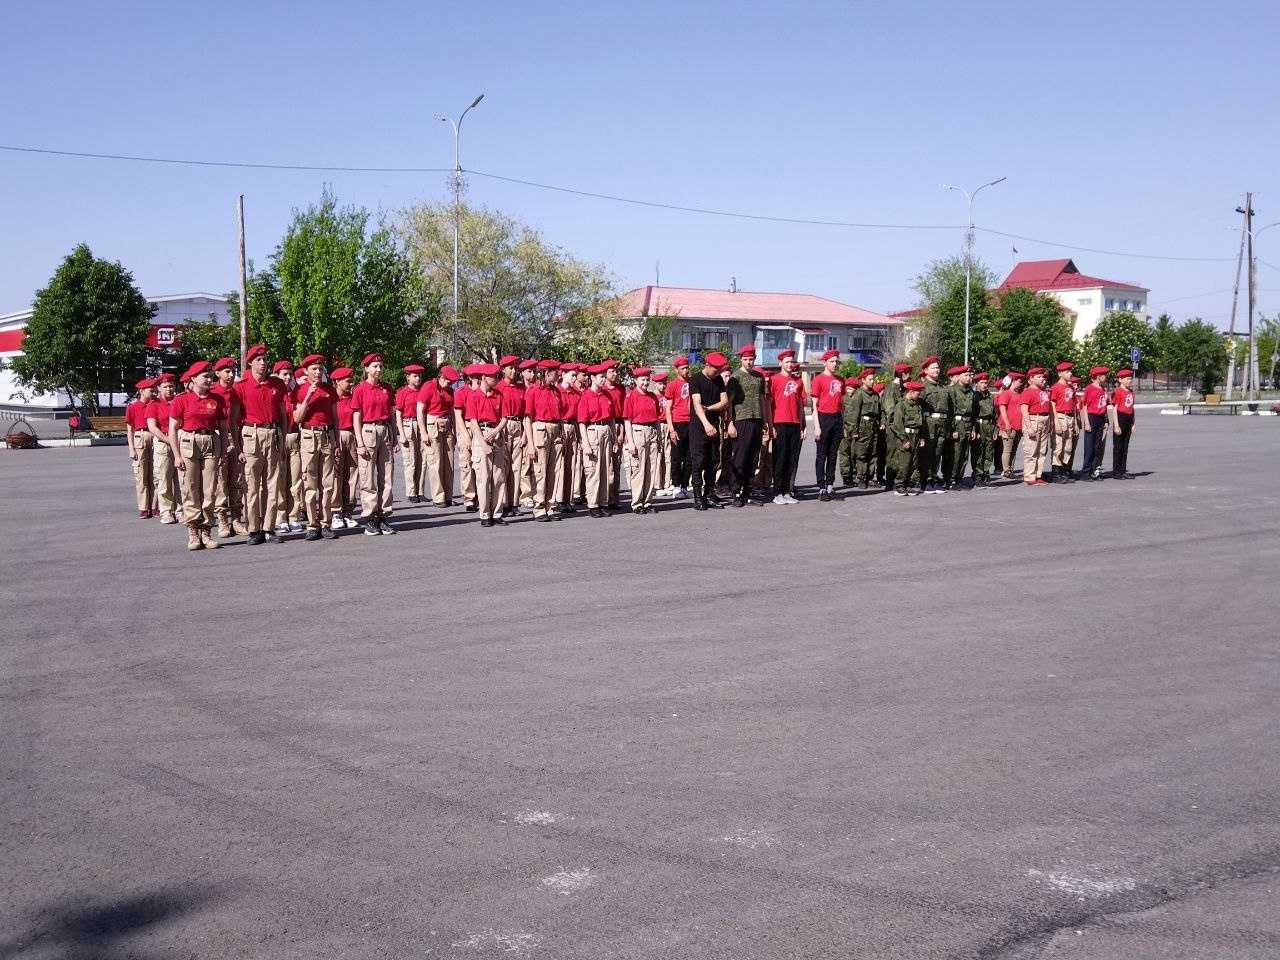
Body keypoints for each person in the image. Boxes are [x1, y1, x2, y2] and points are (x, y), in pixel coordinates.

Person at [167, 361, 228, 551]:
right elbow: (173, 429)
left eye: (210, 376)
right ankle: (193, 532)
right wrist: (176, 456)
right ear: (193, 379)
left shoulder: (217, 399)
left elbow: (224, 428)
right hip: (189, 443)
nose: (210, 379)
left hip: (210, 442)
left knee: (210, 490)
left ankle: (207, 531)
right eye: (205, 376)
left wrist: (223, 452)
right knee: (190, 489)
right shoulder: (181, 399)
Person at [232, 344, 289, 544]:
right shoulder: (241, 386)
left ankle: (269, 528)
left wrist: (282, 441)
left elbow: (283, 415)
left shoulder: (277, 384)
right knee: (252, 484)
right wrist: (238, 448)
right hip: (251, 433)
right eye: (259, 360)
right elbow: (233, 420)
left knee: (273, 483)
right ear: (250, 363)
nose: (263, 363)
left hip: (272, 432)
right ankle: (254, 528)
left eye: (265, 359)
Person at [293, 354, 339, 540]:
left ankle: (326, 523)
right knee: (310, 482)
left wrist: (336, 440)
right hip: (308, 435)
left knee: (327, 484)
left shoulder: (329, 390)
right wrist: (308, 397)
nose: (318, 372)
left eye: (320, 369)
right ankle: (313, 525)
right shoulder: (300, 390)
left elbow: (335, 418)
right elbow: (297, 418)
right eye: (314, 369)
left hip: (327, 435)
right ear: (306, 371)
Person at [351, 352, 399, 535]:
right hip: (368, 431)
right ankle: (369, 518)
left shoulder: (386, 388)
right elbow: (357, 418)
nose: (378, 369)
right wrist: (360, 443)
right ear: (366, 369)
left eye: (380, 366)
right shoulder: (360, 389)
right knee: (368, 477)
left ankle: (384, 515)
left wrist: (394, 437)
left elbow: (391, 415)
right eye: (375, 366)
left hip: (385, 430)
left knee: (386, 477)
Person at [465, 363, 508, 526]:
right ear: (484, 378)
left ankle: (497, 513)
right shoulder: (474, 396)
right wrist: (482, 442)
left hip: (495, 434)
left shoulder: (498, 395)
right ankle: (484, 515)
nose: (496, 379)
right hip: (480, 435)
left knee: (498, 477)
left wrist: (495, 432)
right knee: (483, 478)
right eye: (493, 377)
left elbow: (504, 418)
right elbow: (473, 422)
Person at [726, 345, 769, 507]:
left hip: (756, 419)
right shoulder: (735, 378)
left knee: (753, 458)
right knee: (740, 458)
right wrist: (730, 423)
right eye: (745, 359)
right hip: (740, 420)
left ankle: (748, 492)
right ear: (741, 360)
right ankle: (736, 492)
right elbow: (729, 403)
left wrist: (764, 420)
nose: (749, 362)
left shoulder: (759, 377)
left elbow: (761, 400)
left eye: (751, 359)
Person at [687, 352, 730, 510]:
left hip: (714, 421)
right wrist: (706, 424)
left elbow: (724, 401)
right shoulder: (696, 380)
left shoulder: (718, 380)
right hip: (699, 425)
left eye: (720, 369)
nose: (718, 372)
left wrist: (710, 408)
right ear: (707, 365)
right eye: (715, 369)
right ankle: (698, 497)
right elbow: (697, 404)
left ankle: (709, 494)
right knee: (698, 461)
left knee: (713, 461)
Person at [524, 359, 565, 522]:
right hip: (540, 429)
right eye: (556, 372)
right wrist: (530, 444)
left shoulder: (556, 391)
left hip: (555, 429)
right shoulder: (533, 391)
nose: (558, 375)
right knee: (540, 471)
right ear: (548, 373)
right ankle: (539, 507)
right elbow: (528, 418)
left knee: (554, 471)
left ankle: (551, 505)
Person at [210, 356, 246, 536]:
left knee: (237, 479)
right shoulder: (212, 393)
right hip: (219, 436)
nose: (231, 375)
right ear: (217, 373)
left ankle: (237, 519)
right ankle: (223, 519)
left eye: (233, 371)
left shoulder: (237, 392)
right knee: (220, 480)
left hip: (237, 435)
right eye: (227, 371)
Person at [417, 364, 459, 508]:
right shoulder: (428, 387)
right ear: (441, 377)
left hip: (446, 424)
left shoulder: (450, 391)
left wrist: (455, 430)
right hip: (432, 423)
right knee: (435, 462)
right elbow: (420, 410)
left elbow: (452, 411)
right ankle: (438, 496)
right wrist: (423, 432)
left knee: (449, 462)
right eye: (448, 382)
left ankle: (448, 495)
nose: (450, 385)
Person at [577, 364, 615, 518]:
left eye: (604, 376)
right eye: (600, 377)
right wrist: (585, 444)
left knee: (605, 469)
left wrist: (615, 438)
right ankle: (593, 504)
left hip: (605, 430)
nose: (603, 379)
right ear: (592, 378)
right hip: (592, 431)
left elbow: (611, 418)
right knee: (593, 470)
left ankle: (603, 502)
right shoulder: (586, 396)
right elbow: (581, 423)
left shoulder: (607, 395)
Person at [769, 349, 806, 504]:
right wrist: (770, 425)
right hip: (779, 422)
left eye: (792, 361)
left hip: (794, 423)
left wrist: (802, 425)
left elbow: (800, 405)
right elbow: (768, 403)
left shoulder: (798, 381)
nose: (790, 364)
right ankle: (777, 492)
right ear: (780, 363)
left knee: (791, 459)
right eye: (787, 362)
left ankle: (786, 491)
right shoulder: (774, 380)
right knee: (780, 458)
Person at [624, 367, 663, 514]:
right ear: (635, 381)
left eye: (647, 380)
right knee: (638, 469)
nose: (646, 383)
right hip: (638, 431)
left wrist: (659, 438)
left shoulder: (653, 397)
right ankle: (637, 502)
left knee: (651, 469)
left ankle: (647, 501)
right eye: (643, 380)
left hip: (652, 431)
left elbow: (657, 419)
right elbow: (627, 421)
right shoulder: (631, 397)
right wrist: (631, 442)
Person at [809, 349, 844, 501]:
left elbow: (841, 404)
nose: (835, 364)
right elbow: (814, 405)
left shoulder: (840, 379)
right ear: (825, 363)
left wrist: (842, 424)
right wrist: (817, 426)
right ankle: (821, 488)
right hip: (823, 418)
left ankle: (830, 486)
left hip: (836, 418)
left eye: (837, 361)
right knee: (821, 456)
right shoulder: (818, 379)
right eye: (832, 361)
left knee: (833, 455)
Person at [146, 374, 181, 523]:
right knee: (164, 478)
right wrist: (168, 440)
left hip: (180, 441)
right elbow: (152, 427)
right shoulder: (154, 404)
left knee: (180, 479)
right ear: (159, 388)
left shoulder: (179, 401)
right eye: (165, 386)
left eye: (171, 386)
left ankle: (180, 510)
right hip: (163, 442)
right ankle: (166, 511)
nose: (168, 389)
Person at [496, 355, 526, 518]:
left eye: (515, 368)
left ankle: (514, 502)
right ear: (503, 370)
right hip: (503, 425)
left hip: (517, 425)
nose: (514, 371)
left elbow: (526, 413)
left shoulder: (521, 388)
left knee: (517, 466)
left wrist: (524, 434)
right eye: (511, 368)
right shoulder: (499, 387)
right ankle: (504, 502)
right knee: (504, 466)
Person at [331, 366, 361, 528]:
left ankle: (348, 511)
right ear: (337, 382)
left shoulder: (352, 398)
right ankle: (336, 512)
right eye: (348, 381)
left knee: (351, 474)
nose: (351, 384)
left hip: (351, 436)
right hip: (337, 436)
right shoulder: (332, 398)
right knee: (336, 475)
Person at [918, 357, 952, 493]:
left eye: (937, 367)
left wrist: (949, 427)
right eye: (933, 368)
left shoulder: (943, 387)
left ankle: (933, 478)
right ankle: (924, 481)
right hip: (928, 423)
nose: (936, 370)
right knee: (927, 453)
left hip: (942, 424)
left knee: (937, 453)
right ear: (926, 371)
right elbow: (918, 410)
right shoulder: (922, 388)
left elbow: (950, 409)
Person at [663, 356, 693, 499]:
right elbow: (668, 408)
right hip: (678, 422)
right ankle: (675, 486)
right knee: (677, 457)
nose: (686, 371)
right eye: (683, 368)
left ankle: (685, 485)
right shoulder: (672, 385)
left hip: (691, 422)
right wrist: (671, 429)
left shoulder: (692, 382)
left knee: (690, 457)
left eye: (687, 367)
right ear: (677, 370)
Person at [125, 378, 156, 518]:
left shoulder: (156, 405)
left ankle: (155, 506)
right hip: (140, 436)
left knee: (155, 474)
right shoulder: (133, 407)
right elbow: (130, 429)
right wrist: (131, 448)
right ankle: (144, 507)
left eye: (154, 389)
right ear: (141, 391)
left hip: (154, 436)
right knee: (141, 475)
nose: (153, 392)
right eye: (151, 390)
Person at [847, 370, 883, 489]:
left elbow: (880, 411)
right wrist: (854, 430)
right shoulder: (859, 394)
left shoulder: (875, 394)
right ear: (863, 380)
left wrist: (881, 422)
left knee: (873, 453)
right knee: (862, 453)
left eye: (873, 379)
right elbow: (854, 414)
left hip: (873, 425)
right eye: (870, 379)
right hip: (863, 425)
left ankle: (870, 477)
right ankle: (861, 477)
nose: (873, 382)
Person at [889, 380, 926, 495]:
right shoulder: (901, 405)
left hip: (916, 435)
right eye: (916, 393)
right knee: (904, 462)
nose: (918, 395)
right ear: (910, 392)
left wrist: (922, 437)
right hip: (905, 435)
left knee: (914, 462)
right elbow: (897, 424)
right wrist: (904, 439)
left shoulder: (918, 406)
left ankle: (909, 484)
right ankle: (899, 484)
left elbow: (922, 422)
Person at [396, 363, 426, 503]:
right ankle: (411, 491)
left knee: (422, 459)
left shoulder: (422, 391)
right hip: (408, 424)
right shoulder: (403, 392)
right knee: (410, 460)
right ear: (408, 377)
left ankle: (420, 491)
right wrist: (401, 433)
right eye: (415, 376)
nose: (418, 378)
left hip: (421, 424)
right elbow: (398, 413)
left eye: (419, 376)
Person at [453, 366, 480, 512]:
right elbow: (458, 415)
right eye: (476, 376)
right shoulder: (461, 392)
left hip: (479, 426)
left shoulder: (482, 391)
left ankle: (481, 496)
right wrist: (465, 436)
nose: (480, 378)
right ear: (469, 378)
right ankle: (469, 498)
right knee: (467, 464)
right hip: (466, 425)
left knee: (480, 464)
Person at [881, 363, 911, 490]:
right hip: (894, 429)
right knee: (892, 454)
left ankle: (900, 480)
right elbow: (891, 413)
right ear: (901, 374)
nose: (909, 376)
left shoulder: (901, 390)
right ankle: (890, 481)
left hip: (901, 428)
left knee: (900, 455)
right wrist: (899, 429)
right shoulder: (890, 390)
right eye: (907, 373)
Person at [1020, 367, 1052, 486]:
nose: (1042, 379)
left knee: (1041, 450)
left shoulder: (1044, 391)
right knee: (1031, 449)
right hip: (1034, 419)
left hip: (1044, 419)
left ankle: (1038, 475)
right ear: (1031, 379)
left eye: (1043, 376)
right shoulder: (1028, 391)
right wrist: (1029, 427)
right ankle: (1029, 476)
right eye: (1039, 377)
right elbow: (1024, 409)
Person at [947, 365, 976, 490]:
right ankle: (951, 479)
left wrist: (973, 428)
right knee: (955, 453)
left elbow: (974, 411)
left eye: (970, 375)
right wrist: (952, 429)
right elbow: (950, 411)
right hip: (957, 424)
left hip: (968, 424)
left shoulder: (970, 391)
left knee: (964, 454)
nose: (969, 378)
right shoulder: (952, 390)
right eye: (966, 375)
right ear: (959, 376)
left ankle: (959, 478)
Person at [1048, 361, 1079, 482]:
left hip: (1070, 417)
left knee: (1068, 446)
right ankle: (1056, 473)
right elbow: (1052, 405)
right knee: (1058, 445)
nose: (1070, 373)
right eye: (1067, 371)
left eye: (1070, 371)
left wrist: (1075, 422)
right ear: (1060, 374)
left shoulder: (1070, 387)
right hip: (1060, 416)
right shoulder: (1056, 387)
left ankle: (1065, 471)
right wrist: (1055, 421)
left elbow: (1073, 405)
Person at [1080, 366, 1111, 481]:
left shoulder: (1103, 389)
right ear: (1098, 377)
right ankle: (1086, 472)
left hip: (1101, 418)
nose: (1105, 377)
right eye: (1104, 375)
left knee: (1097, 446)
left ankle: (1094, 470)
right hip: (1092, 418)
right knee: (1090, 446)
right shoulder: (1089, 388)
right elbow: (1085, 406)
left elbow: (1105, 406)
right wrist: (1087, 422)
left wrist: (1106, 420)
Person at [970, 371, 998, 488]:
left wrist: (995, 429)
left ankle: (985, 475)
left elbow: (995, 414)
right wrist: (973, 429)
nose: (984, 385)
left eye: (986, 382)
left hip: (989, 426)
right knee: (978, 452)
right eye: (981, 382)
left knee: (988, 453)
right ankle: (977, 476)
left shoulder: (990, 396)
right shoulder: (974, 396)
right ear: (976, 384)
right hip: (979, 425)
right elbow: (972, 415)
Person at [518, 358, 539, 507]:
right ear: (523, 373)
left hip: (533, 427)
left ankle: (535, 492)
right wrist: (524, 435)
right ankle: (525, 495)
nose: (532, 375)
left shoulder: (538, 387)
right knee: (524, 463)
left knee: (536, 462)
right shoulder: (520, 389)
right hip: (521, 426)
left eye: (534, 371)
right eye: (529, 372)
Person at [996, 371, 1024, 479]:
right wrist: (1007, 423)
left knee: (1014, 449)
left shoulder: (1019, 394)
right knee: (1007, 449)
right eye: (1019, 381)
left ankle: (1011, 468)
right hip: (1009, 425)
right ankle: (1006, 470)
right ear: (1013, 381)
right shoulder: (1006, 393)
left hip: (1018, 425)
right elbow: (1002, 409)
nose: (1021, 383)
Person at [1110, 369, 1137, 479]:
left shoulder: (1131, 392)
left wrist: (1134, 423)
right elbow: (1114, 409)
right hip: (1120, 418)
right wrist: (1116, 425)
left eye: (1130, 378)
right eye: (1127, 378)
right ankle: (1116, 472)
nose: (1130, 380)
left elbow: (1132, 408)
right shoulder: (1117, 392)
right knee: (1118, 447)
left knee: (1125, 447)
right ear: (1120, 380)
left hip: (1128, 419)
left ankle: (1123, 470)